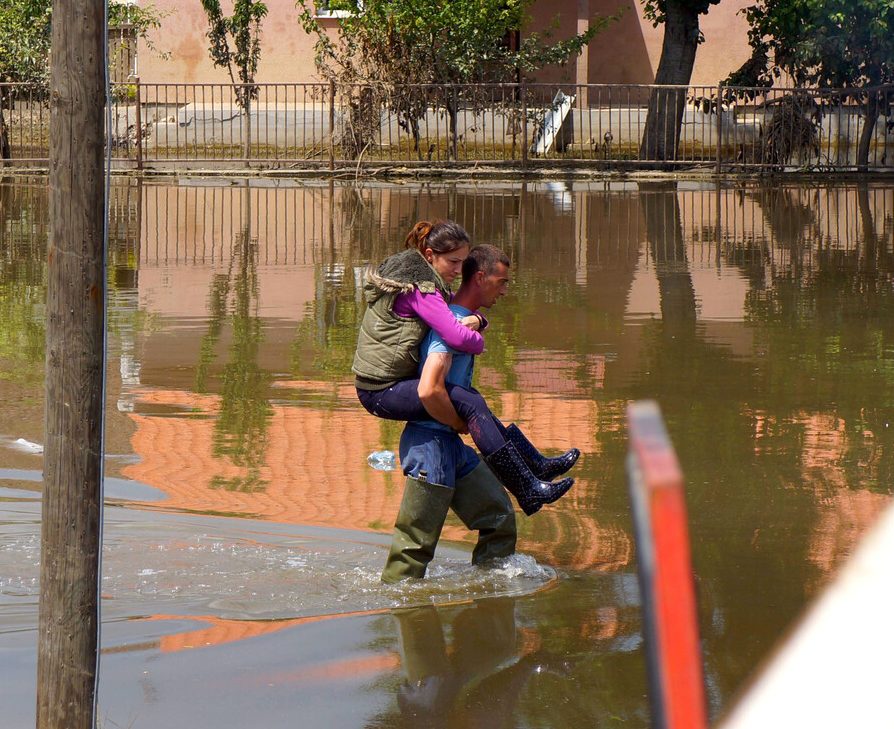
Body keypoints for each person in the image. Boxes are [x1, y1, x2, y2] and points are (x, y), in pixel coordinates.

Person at [353, 223, 579, 515]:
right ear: (430, 255)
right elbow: (455, 335)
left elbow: (452, 314)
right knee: (471, 403)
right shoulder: (422, 290)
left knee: (474, 403)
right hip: (380, 390)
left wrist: (480, 321)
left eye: (463, 262)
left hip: (393, 385)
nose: (459, 270)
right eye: (454, 262)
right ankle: (527, 487)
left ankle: (534, 469)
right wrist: (479, 337)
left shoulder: (430, 284)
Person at [381, 245, 575, 582]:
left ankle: (489, 597)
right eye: (501, 282)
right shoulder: (452, 323)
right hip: (429, 446)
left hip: (452, 447)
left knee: (498, 518)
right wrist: (458, 421)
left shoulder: (462, 320)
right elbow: (430, 388)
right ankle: (402, 612)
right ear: (481, 277)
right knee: (414, 549)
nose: (505, 290)